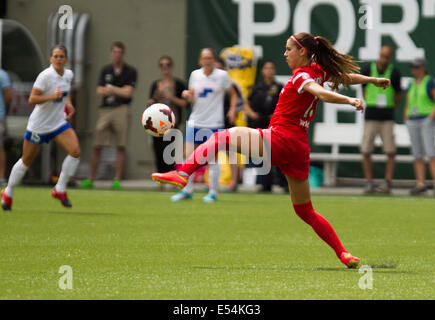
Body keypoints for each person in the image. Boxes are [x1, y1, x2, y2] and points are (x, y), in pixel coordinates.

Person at [152, 32, 391, 268]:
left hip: (279, 139)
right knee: (305, 211)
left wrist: (349, 101)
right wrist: (372, 80)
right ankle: (343, 253)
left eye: (289, 49)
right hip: (298, 148)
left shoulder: (302, 75)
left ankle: (182, 174)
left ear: (303, 52)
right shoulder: (319, 72)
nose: (285, 53)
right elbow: (343, 77)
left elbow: (320, 92)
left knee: (221, 137)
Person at [1, 45, 80, 210]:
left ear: (66, 59)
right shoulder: (45, 76)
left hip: (58, 122)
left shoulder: (68, 75)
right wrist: (52, 96)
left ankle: (60, 189)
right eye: (56, 56)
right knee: (26, 160)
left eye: (61, 56)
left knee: (75, 151)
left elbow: (66, 93)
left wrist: (69, 104)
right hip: (39, 125)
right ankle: (8, 192)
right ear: (50, 59)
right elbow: (32, 99)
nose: (58, 59)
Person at [170, 48, 238, 203]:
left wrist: (232, 110)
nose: (207, 61)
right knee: (189, 157)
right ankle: (187, 191)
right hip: (195, 121)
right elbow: (192, 96)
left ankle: (213, 192)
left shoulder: (222, 76)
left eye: (210, 58)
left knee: (212, 159)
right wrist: (188, 95)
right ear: (200, 60)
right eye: (204, 58)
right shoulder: (195, 75)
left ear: (214, 60)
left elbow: (233, 94)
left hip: (215, 123)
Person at [81, 42, 137, 190]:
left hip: (122, 109)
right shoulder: (105, 70)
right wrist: (118, 90)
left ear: (123, 54)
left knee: (121, 145)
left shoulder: (130, 71)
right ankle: (90, 178)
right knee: (97, 144)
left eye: (120, 52)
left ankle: (117, 179)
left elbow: (128, 93)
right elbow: (99, 90)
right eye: (115, 52)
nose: (117, 55)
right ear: (111, 53)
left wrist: (112, 89)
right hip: (106, 109)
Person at [361, 45, 402, 194]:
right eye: (382, 55)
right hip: (371, 115)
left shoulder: (395, 73)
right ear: (379, 54)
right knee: (366, 150)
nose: (384, 59)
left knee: (390, 151)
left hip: (387, 117)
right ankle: (369, 182)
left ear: (390, 57)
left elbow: (398, 95)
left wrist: (390, 107)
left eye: (387, 56)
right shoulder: (368, 70)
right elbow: (364, 90)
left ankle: (387, 182)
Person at [244, 60, 287, 192]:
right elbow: (246, 102)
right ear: (262, 71)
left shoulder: (280, 87)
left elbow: (286, 104)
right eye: (266, 68)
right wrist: (251, 113)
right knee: (263, 155)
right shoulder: (257, 87)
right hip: (259, 124)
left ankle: (284, 184)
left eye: (271, 68)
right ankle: (265, 185)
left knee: (278, 154)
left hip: (275, 125)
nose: (269, 71)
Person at [147, 56, 188, 181]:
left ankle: (171, 177)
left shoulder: (179, 84)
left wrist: (171, 97)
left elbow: (185, 103)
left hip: (172, 122)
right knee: (158, 150)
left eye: (167, 64)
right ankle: (160, 178)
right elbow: (151, 103)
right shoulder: (155, 84)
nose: (165, 67)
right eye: (162, 65)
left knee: (170, 152)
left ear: (172, 66)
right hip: (156, 123)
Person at [404, 57, 435, 195]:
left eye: (416, 67)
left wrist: (431, 117)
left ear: (423, 67)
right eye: (413, 67)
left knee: (431, 153)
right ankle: (420, 184)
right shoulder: (412, 83)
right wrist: (406, 115)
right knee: (417, 154)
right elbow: (408, 101)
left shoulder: (430, 81)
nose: (414, 69)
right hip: (413, 119)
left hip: (426, 119)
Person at [215, 57, 244, 192]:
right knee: (210, 153)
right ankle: (211, 182)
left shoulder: (231, 85)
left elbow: (240, 103)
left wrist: (233, 111)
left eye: (221, 68)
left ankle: (234, 181)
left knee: (231, 153)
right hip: (212, 122)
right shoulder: (210, 84)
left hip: (228, 123)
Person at [0, 68, 13, 185]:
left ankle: (1, 177)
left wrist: (4, 112)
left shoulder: (2, 74)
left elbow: (8, 96)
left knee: (0, 147)